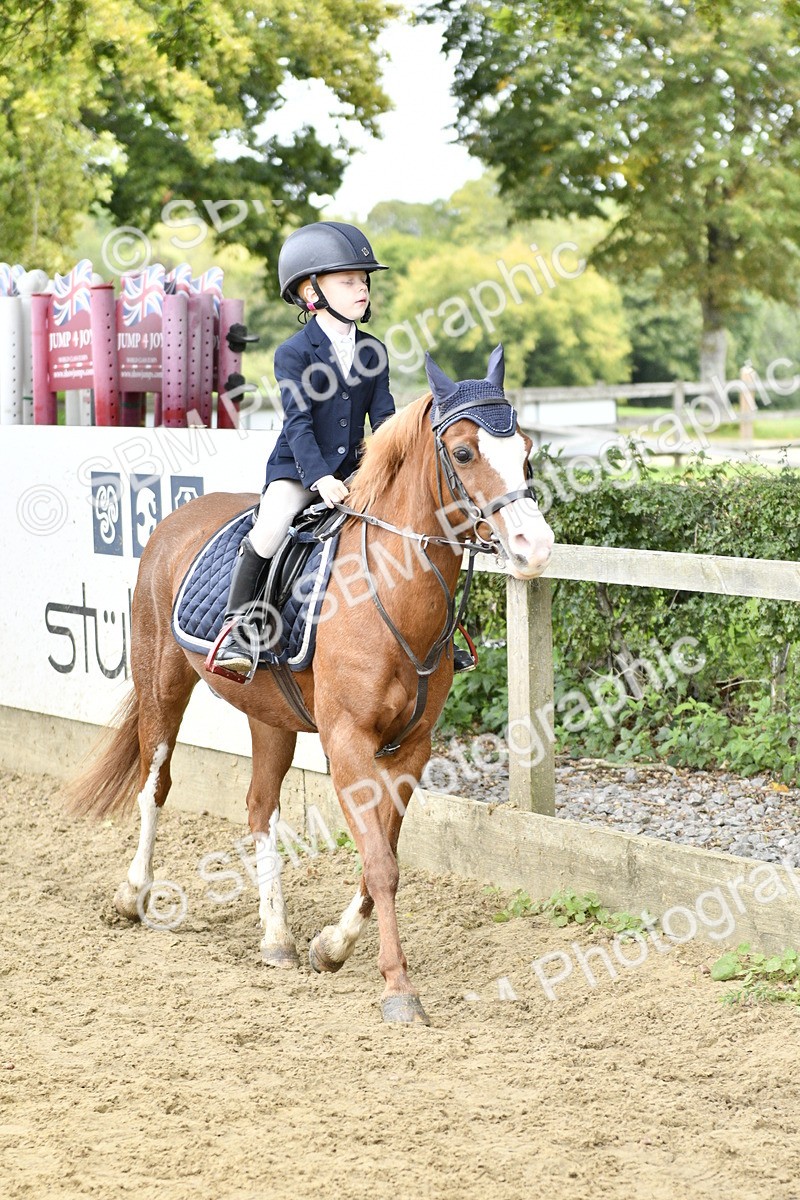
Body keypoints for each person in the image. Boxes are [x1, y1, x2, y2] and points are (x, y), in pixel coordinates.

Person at [209, 220, 395, 680]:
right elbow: (297, 423)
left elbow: (385, 420)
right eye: (348, 281)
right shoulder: (294, 352)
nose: (362, 289)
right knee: (271, 527)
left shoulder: (374, 350)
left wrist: (391, 466)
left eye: (364, 281)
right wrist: (319, 478)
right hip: (299, 469)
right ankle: (238, 629)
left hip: (354, 471)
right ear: (311, 292)